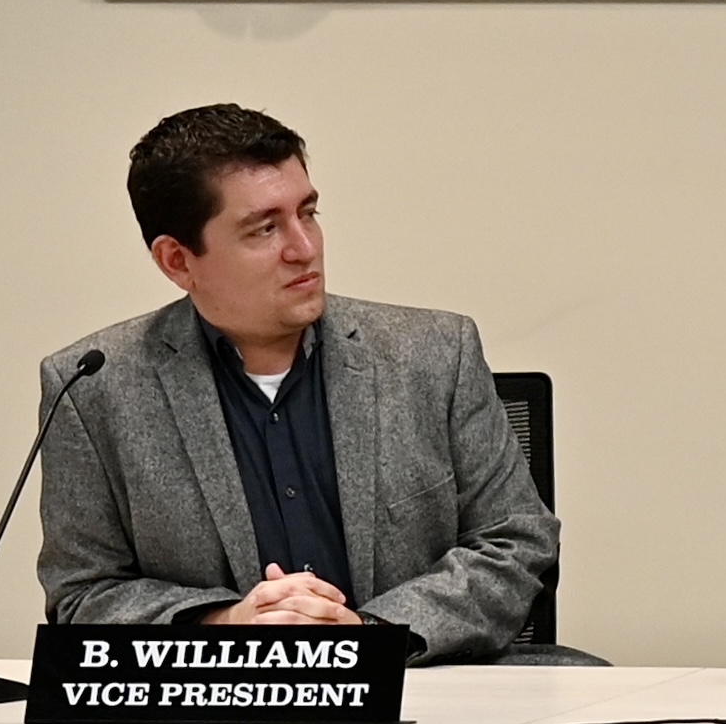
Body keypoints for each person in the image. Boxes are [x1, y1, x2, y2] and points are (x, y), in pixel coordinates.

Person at [36, 104, 558, 661]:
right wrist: (224, 625)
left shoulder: (434, 353)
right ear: (177, 260)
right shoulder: (94, 388)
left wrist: (365, 636)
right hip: (222, 715)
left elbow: (515, 542)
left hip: (422, 691)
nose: (304, 248)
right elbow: (84, 595)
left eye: (307, 213)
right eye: (264, 228)